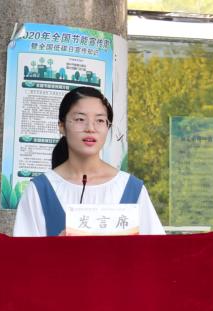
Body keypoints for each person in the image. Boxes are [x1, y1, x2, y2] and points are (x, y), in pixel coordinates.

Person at [13, 86, 164, 237]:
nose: (90, 128)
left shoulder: (132, 189)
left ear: (108, 127)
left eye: (100, 120)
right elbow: (23, 252)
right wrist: (56, 246)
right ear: (62, 126)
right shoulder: (39, 190)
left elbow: (157, 249)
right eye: (80, 119)